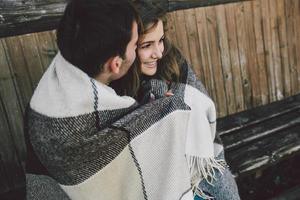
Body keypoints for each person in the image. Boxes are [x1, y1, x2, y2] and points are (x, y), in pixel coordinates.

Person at [111, 1, 241, 199]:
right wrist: (155, 113)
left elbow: (202, 111)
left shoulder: (172, 60)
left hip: (198, 172)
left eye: (161, 40)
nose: (159, 52)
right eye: (146, 45)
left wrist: (174, 107)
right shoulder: (113, 88)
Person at [25, 0, 140, 199]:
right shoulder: (111, 119)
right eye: (136, 45)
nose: (137, 51)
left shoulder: (43, 98)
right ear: (115, 64)